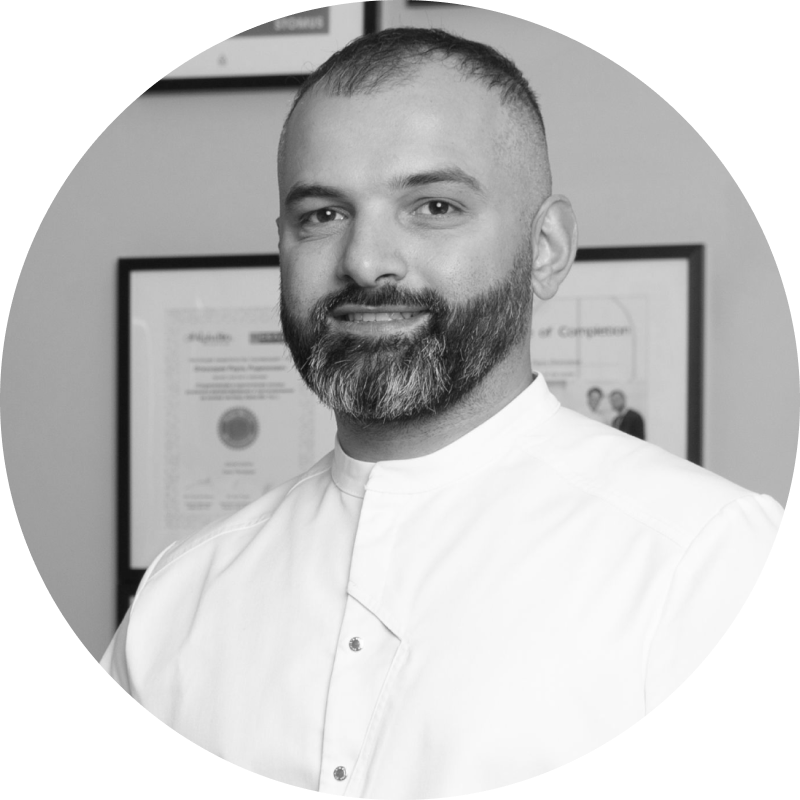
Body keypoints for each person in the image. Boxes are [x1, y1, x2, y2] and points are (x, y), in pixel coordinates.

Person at [101, 28, 781, 795]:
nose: (365, 262)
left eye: (433, 206)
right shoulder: (179, 599)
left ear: (546, 249)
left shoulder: (707, 565)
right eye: (322, 215)